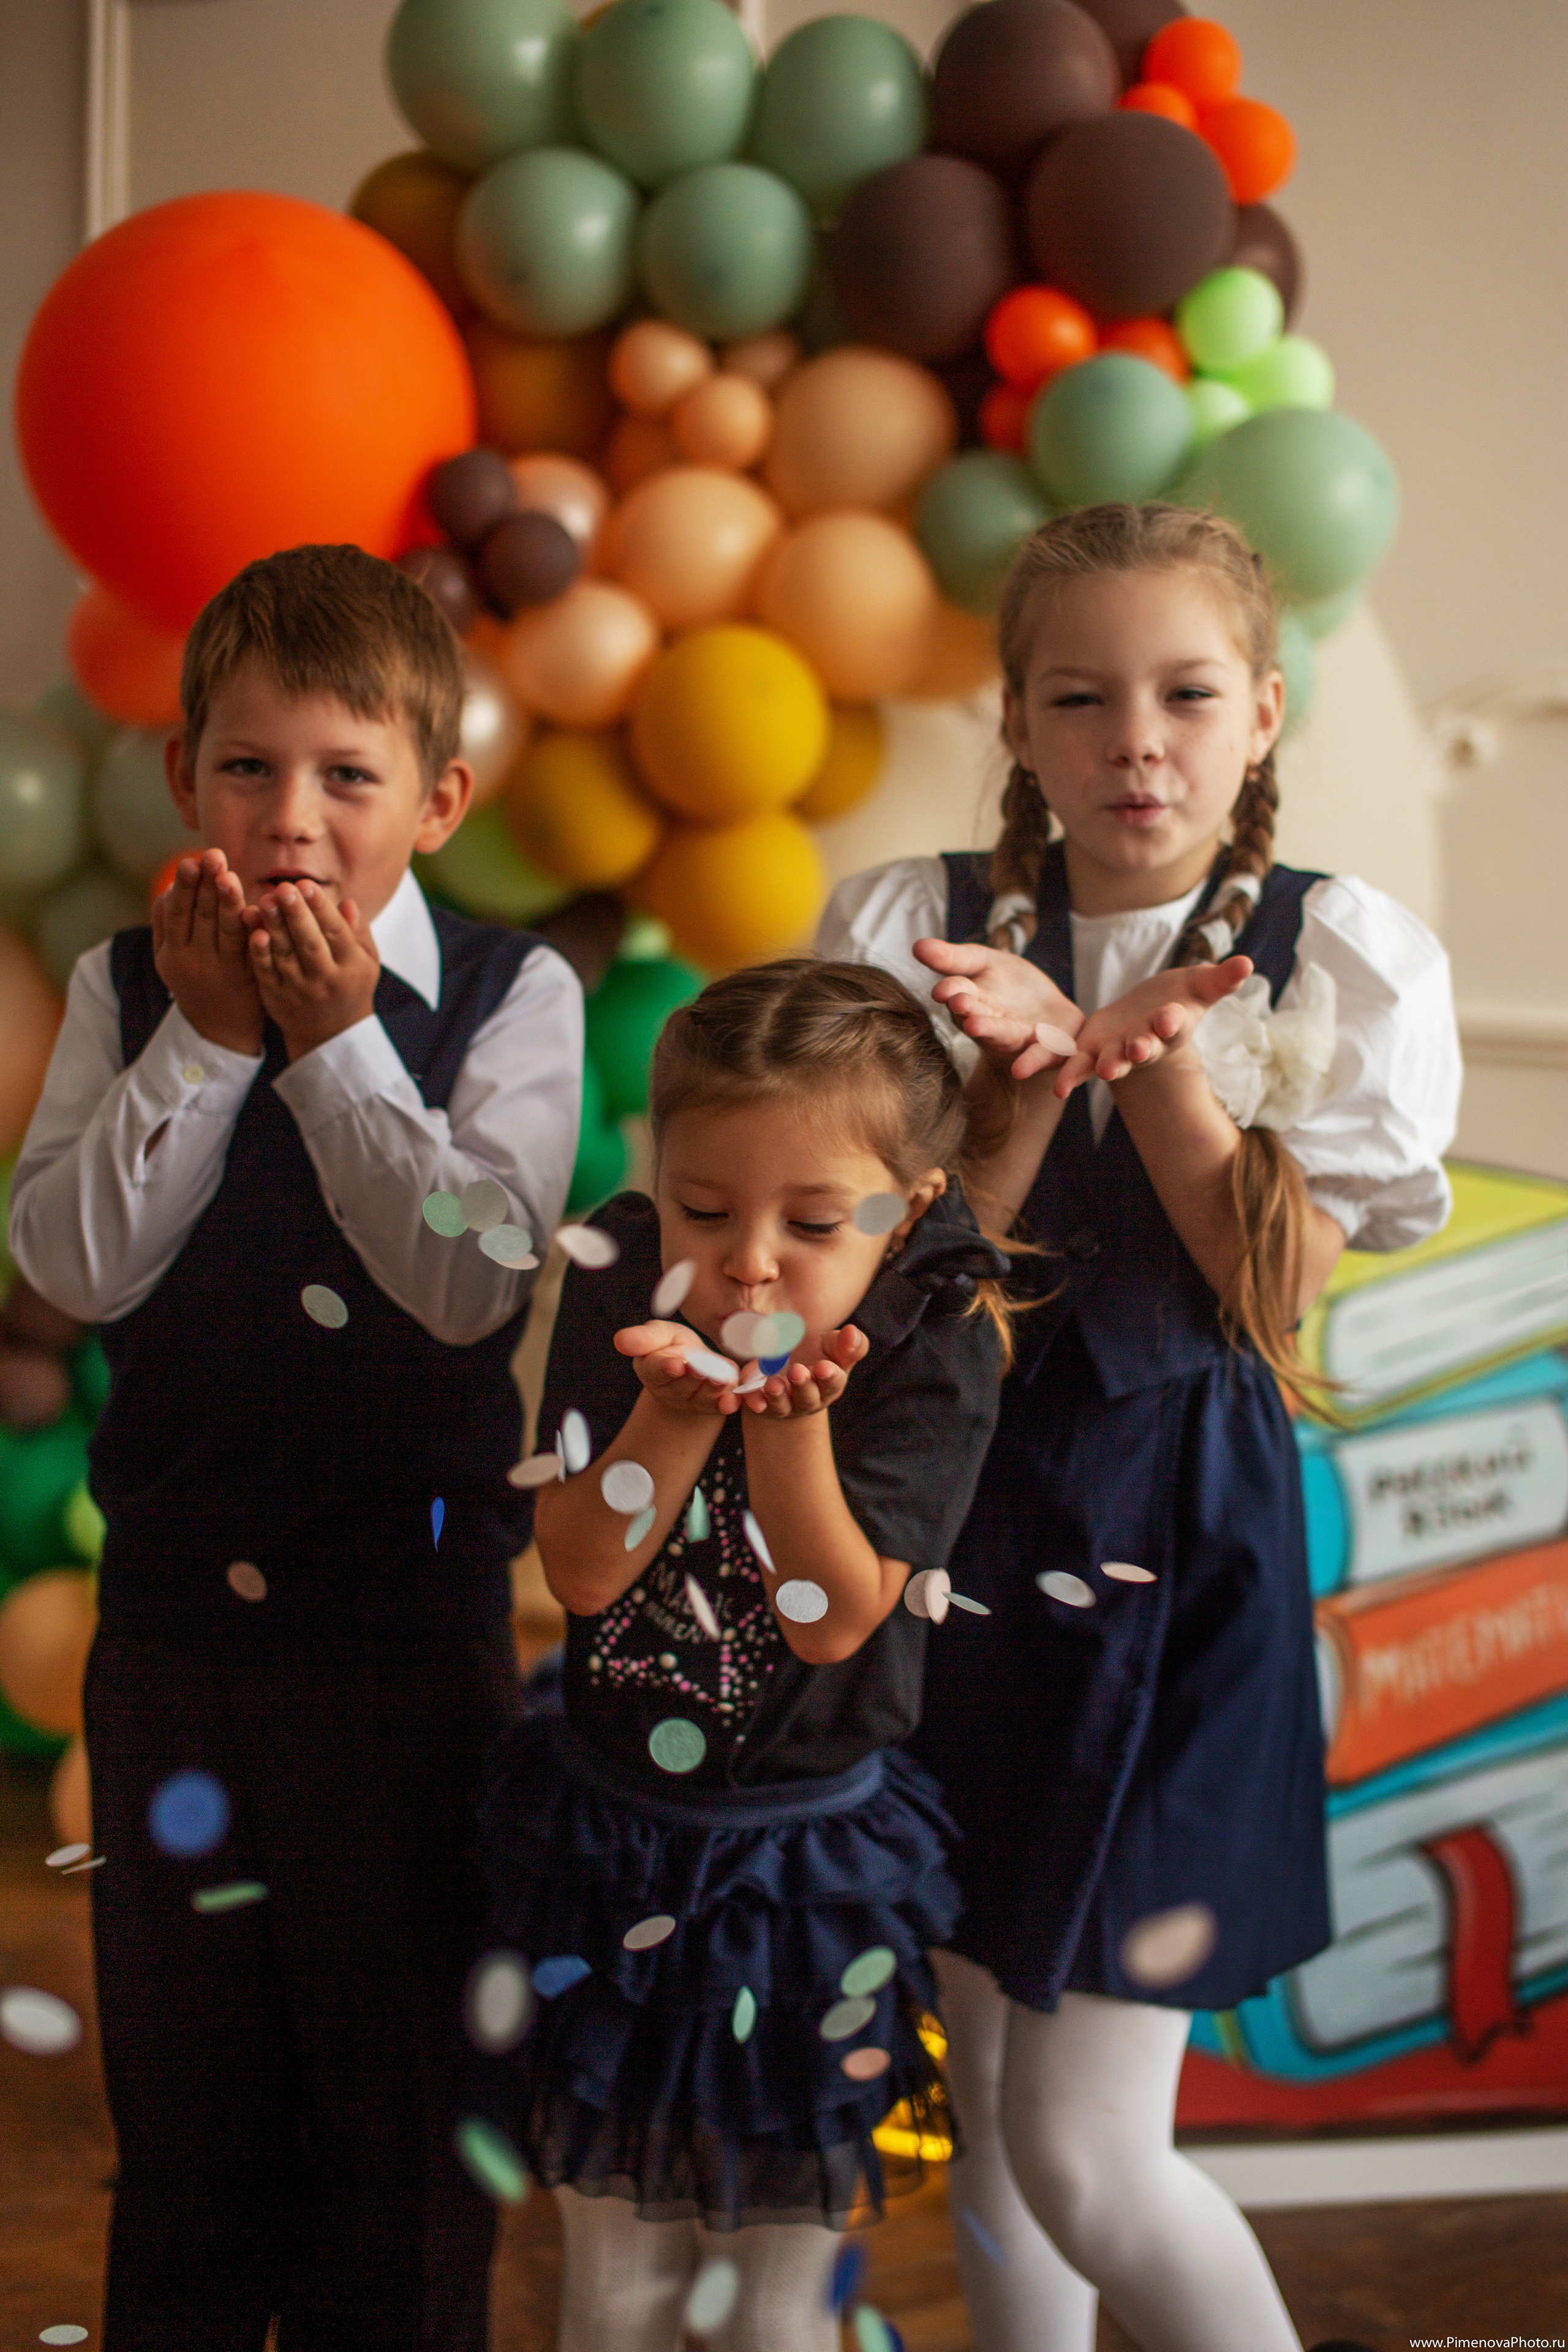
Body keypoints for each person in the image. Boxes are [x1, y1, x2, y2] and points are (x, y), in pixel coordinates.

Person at [817, 502, 1461, 2352]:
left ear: (1262, 713)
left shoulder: (1336, 953)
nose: (1137, 741)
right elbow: (897, 1276)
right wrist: (1022, 1074)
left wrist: (1158, 1056)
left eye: (1185, 693)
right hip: (951, 1540)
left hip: (1181, 1559)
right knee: (994, 2132)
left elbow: (1266, 1301)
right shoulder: (907, 930)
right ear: (1017, 721)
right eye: (1082, 698)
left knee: (1092, 2154)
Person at [9, 545, 583, 2352]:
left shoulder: (514, 995)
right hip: (176, 1646)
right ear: (185, 779)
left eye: (349, 775)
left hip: (405, 1645)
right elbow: (70, 1262)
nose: (294, 818)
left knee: (407, 2117)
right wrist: (204, 1037)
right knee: (189, 2118)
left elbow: (476, 1283)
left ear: (438, 800)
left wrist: (337, 1046)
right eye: (248, 767)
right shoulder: (127, 986)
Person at [470, 959, 1010, 2352]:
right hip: (614, 1840)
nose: (747, 1258)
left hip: (804, 1864)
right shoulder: (622, 1274)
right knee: (616, 2284)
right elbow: (583, 1570)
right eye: (702, 1209)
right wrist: (669, 1407)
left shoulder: (935, 1335)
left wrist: (782, 1423)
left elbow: (829, 1617)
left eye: (812, 1220)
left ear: (909, 1217)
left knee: (778, 2294)